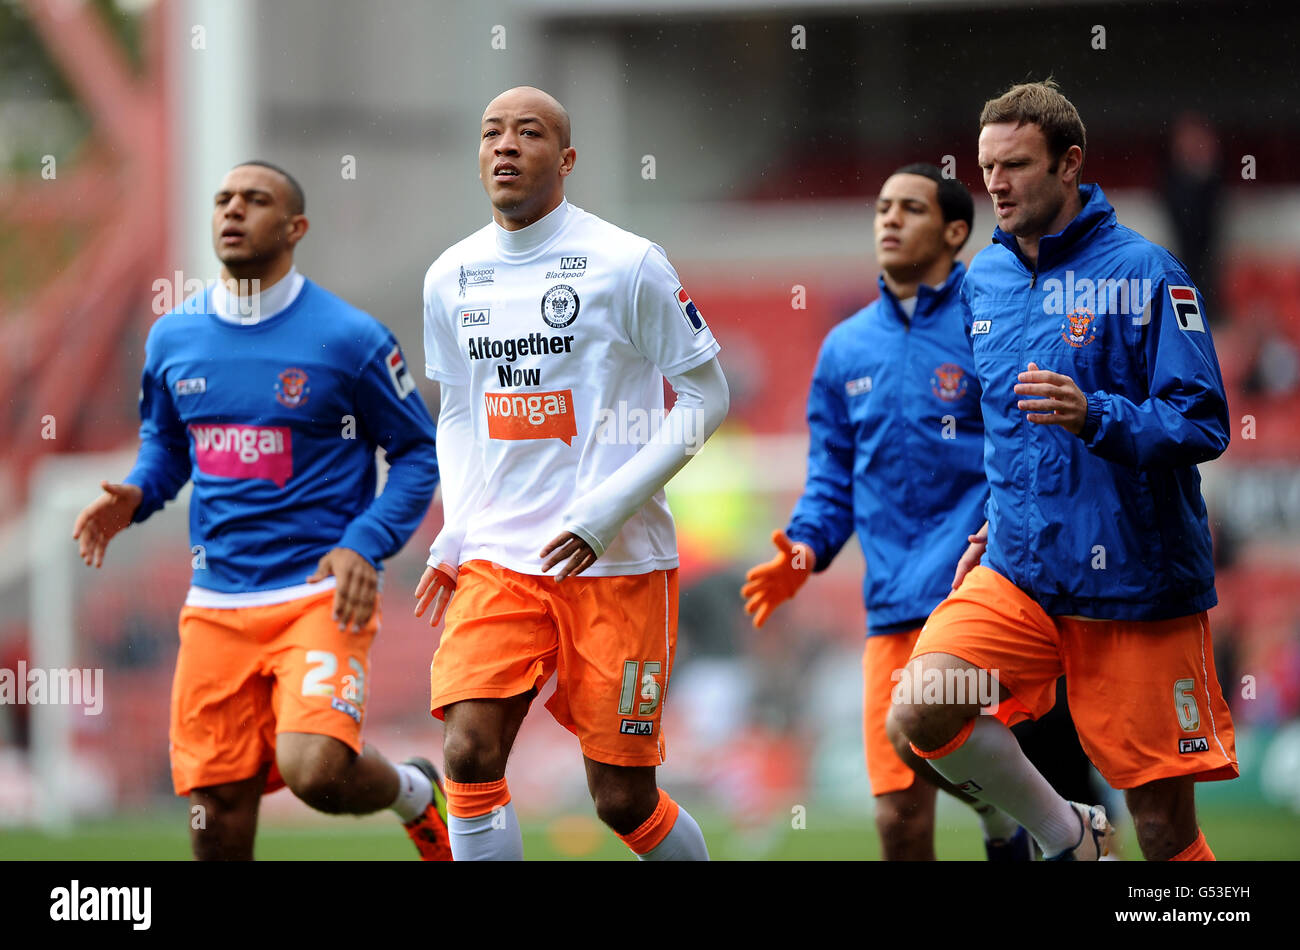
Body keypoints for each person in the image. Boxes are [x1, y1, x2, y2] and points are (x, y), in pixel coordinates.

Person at [890, 81, 1238, 861]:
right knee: (922, 709)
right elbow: (1005, 432)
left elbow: (1204, 419)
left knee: (1162, 829)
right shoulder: (985, 280)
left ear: (1069, 162)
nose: (997, 185)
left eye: (1015, 165)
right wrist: (992, 520)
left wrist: (1097, 415)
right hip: (1021, 576)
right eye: (987, 167)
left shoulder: (1150, 274)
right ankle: (1070, 835)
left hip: (1136, 587)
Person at [72, 161, 452, 861]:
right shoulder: (173, 339)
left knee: (316, 771)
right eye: (223, 199)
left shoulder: (349, 339)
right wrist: (139, 490)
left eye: (255, 200)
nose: (234, 210)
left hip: (318, 593)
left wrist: (365, 543)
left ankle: (414, 793)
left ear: (295, 227)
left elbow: (417, 454)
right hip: (216, 603)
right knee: (216, 810)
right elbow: (168, 447)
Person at [414, 86, 728, 861]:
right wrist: (456, 528)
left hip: (617, 563)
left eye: (529, 132)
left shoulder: (627, 264)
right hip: (500, 558)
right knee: (468, 752)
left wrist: (608, 509)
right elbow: (458, 409)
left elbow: (706, 392)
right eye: (492, 132)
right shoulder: (450, 276)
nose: (506, 145)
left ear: (567, 158)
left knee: (621, 800)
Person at [743, 164, 1037, 860]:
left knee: (969, 759)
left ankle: (1015, 826)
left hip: (979, 597)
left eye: (910, 207)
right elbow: (831, 481)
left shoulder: (992, 322)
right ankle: (1012, 827)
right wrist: (805, 549)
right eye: (881, 207)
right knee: (899, 822)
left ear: (956, 231)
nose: (889, 219)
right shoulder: (846, 348)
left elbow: (1025, 448)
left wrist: (1001, 540)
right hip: (892, 606)